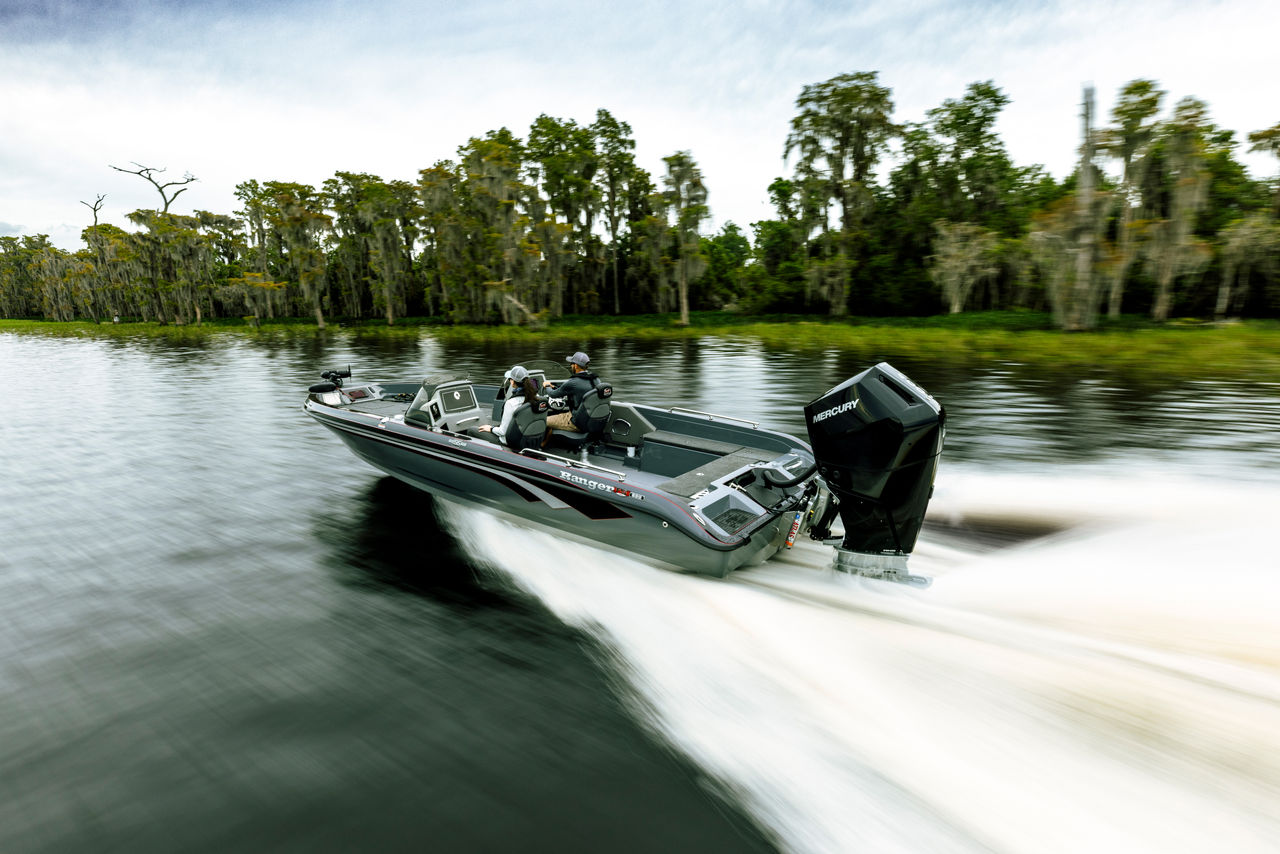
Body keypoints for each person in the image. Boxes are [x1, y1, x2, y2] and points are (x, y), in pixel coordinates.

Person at [472, 365, 539, 446]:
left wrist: (491, 428)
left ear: (512, 382)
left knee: (471, 430)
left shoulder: (511, 403)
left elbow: (502, 432)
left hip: (510, 442)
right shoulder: (537, 398)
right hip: (528, 439)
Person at [542, 351, 600, 443]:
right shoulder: (595, 379)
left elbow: (553, 394)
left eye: (571, 363)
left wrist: (547, 386)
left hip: (576, 422)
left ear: (576, 366)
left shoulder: (573, 382)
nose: (570, 365)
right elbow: (575, 391)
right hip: (592, 420)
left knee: (543, 421)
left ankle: (540, 447)